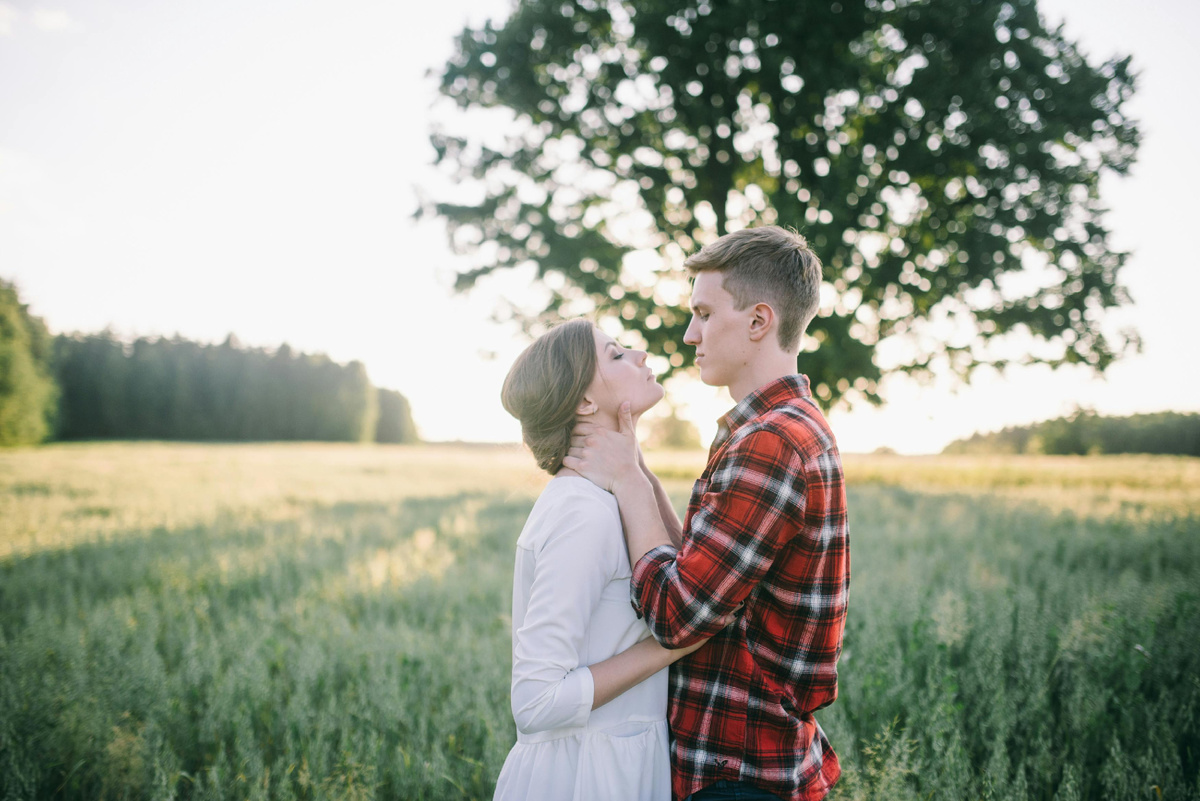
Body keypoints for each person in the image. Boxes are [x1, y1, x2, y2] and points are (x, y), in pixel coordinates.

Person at [563, 226, 850, 801]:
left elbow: (677, 615)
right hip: (744, 763)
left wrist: (625, 481)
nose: (690, 332)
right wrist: (635, 466)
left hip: (738, 770)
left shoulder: (773, 444)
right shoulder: (776, 428)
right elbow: (699, 566)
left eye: (702, 312)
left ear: (757, 321)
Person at [493, 317, 727, 801]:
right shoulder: (583, 512)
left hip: (619, 765)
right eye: (617, 354)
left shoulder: (615, 496)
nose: (641, 356)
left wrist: (635, 466)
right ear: (584, 402)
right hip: (580, 779)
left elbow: (682, 577)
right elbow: (535, 700)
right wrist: (673, 645)